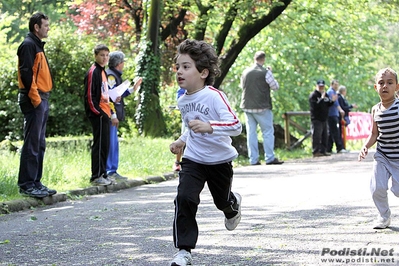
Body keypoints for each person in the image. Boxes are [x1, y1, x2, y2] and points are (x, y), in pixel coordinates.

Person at [169, 39, 242, 266]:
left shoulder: (214, 96)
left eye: (186, 66)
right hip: (194, 159)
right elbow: (189, 126)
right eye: (178, 66)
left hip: (219, 160)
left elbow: (236, 125)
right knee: (184, 197)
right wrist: (181, 140)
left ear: (203, 72)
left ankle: (232, 207)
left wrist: (211, 126)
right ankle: (184, 250)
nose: (180, 71)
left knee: (222, 202)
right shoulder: (182, 100)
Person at [17, 12, 57, 198]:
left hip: (42, 98)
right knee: (32, 143)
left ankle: (36, 182)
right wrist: (37, 100)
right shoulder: (28, 45)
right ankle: (26, 184)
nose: (48, 28)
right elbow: (27, 75)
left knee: (39, 143)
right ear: (36, 27)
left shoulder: (36, 45)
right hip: (34, 99)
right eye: (46, 25)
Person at [358, 67, 399, 229]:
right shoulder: (375, 109)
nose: (385, 86)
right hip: (382, 156)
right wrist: (365, 146)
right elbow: (374, 133)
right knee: (377, 187)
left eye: (389, 83)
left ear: (397, 87)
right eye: (381, 83)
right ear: (376, 87)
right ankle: (383, 216)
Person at [240, 51, 284, 165]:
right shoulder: (265, 72)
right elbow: (275, 87)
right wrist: (270, 73)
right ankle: (269, 157)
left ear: (254, 58)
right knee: (267, 132)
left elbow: (243, 86)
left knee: (251, 133)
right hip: (262, 107)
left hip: (247, 106)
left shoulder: (245, 72)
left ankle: (253, 159)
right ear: (263, 59)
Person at [84, 44, 117, 186]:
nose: (105, 58)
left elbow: (105, 94)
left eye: (107, 55)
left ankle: (103, 172)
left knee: (105, 144)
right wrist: (98, 113)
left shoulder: (103, 72)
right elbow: (90, 96)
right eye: (102, 55)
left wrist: (111, 109)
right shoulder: (93, 72)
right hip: (98, 114)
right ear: (96, 55)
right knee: (99, 144)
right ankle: (96, 175)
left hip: (105, 113)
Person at [106, 51, 142, 180]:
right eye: (123, 62)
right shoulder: (111, 76)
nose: (124, 64)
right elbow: (110, 96)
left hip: (114, 115)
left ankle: (113, 169)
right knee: (111, 143)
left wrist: (133, 88)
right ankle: (110, 170)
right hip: (111, 116)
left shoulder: (115, 75)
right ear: (119, 63)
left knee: (114, 143)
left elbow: (118, 93)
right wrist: (113, 115)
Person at [309, 80, 335, 157]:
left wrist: (332, 101)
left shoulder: (325, 94)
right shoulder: (313, 95)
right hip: (316, 118)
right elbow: (315, 106)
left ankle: (323, 150)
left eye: (322, 86)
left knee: (325, 135)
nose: (321, 88)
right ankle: (316, 151)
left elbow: (328, 104)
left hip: (324, 118)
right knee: (317, 135)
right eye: (320, 86)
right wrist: (321, 98)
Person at [326, 79, 348, 153]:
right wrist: (340, 110)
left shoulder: (334, 92)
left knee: (332, 132)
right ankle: (339, 148)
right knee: (335, 131)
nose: (336, 86)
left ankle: (329, 148)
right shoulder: (330, 92)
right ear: (331, 84)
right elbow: (335, 102)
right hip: (331, 114)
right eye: (335, 85)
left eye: (337, 85)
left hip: (334, 114)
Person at [173, 87, 187, 172]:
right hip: (186, 116)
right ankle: (177, 162)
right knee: (183, 138)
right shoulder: (184, 86)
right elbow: (179, 98)